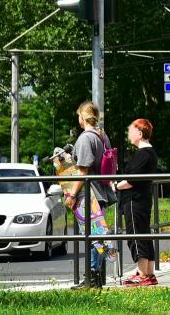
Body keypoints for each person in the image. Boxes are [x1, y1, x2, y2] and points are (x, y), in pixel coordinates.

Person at [67, 101, 116, 286]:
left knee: (92, 237)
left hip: (90, 194)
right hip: (101, 191)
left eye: (79, 115)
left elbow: (83, 171)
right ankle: (96, 277)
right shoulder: (102, 135)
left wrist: (71, 195)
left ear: (83, 116)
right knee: (98, 234)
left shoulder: (85, 138)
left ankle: (92, 277)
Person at [116, 119, 159, 287]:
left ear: (140, 134)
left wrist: (115, 186)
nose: (128, 134)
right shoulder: (150, 153)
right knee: (144, 234)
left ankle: (142, 274)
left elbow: (133, 179)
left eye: (130, 131)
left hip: (135, 200)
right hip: (142, 199)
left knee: (136, 235)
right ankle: (148, 273)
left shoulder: (142, 154)